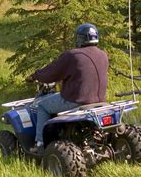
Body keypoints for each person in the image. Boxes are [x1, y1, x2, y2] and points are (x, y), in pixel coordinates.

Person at [25, 23, 109, 154]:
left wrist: (35, 76)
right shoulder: (103, 55)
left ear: (79, 38)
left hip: (77, 100)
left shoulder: (73, 55)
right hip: (100, 101)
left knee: (42, 105)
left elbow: (52, 72)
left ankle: (40, 144)